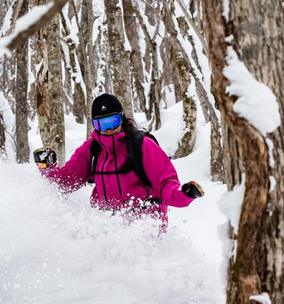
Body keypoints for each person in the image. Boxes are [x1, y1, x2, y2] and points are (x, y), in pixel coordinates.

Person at [34, 93, 204, 229]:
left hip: (145, 223)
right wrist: (47, 167)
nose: (108, 129)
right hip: (107, 224)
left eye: (112, 122)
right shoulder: (92, 149)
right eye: (101, 124)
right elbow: (66, 182)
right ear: (94, 125)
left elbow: (165, 182)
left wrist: (183, 194)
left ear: (121, 119)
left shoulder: (142, 145)